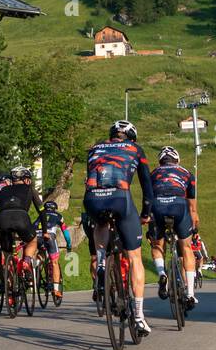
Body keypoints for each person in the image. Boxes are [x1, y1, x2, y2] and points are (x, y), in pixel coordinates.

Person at [83, 120, 154, 335]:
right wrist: (146, 213)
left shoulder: (95, 148)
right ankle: (140, 317)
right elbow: (146, 185)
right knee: (135, 259)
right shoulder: (136, 150)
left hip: (93, 198)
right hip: (120, 198)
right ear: (131, 137)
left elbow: (90, 176)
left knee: (100, 222)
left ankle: (102, 262)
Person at [147, 145, 199, 309]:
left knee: (157, 244)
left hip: (158, 205)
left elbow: (147, 197)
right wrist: (195, 223)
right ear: (177, 160)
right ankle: (190, 293)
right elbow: (192, 206)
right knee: (187, 248)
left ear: (160, 161)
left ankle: (162, 274)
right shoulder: (186, 173)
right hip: (179, 204)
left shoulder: (154, 173)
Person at [0, 167, 43, 299]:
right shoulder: (29, 189)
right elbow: (42, 210)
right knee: (32, 241)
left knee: (7, 254)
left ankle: (9, 289)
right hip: (21, 218)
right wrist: (44, 230)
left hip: (3, 220)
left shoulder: (3, 190)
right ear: (27, 179)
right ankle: (27, 261)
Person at [35, 198, 72, 302]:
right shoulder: (58, 216)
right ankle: (56, 290)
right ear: (55, 209)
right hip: (49, 236)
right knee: (54, 262)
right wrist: (69, 244)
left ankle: (36, 267)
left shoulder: (40, 215)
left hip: (36, 236)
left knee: (41, 253)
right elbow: (66, 232)